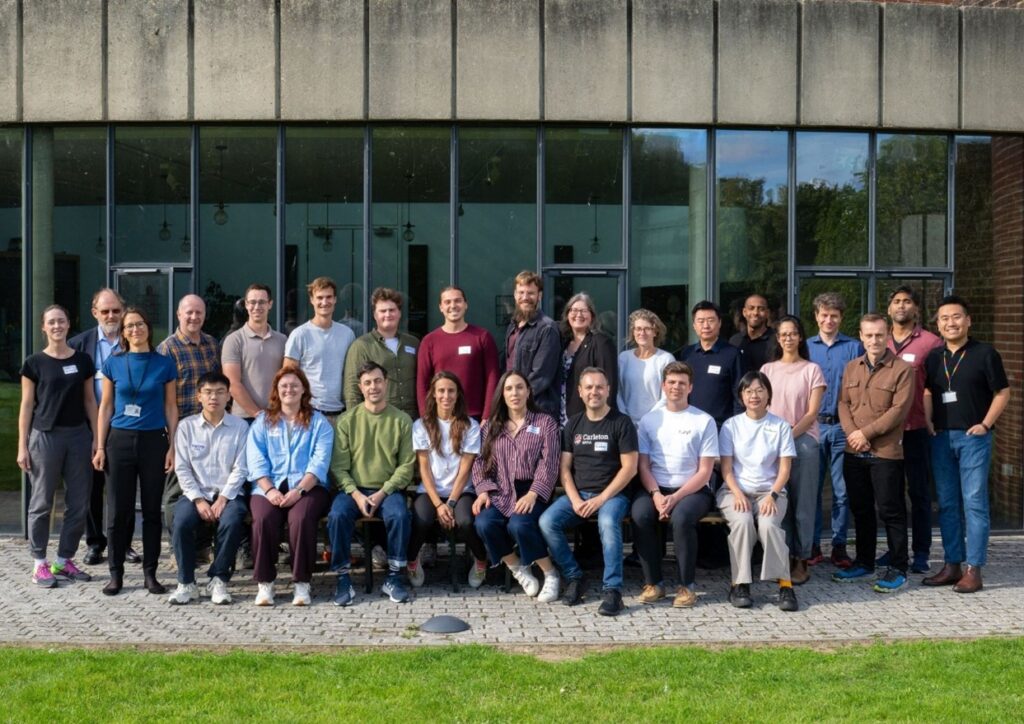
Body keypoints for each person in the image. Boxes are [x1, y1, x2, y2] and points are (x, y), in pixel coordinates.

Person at [922, 295, 1010, 594]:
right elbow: (929, 392)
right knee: (947, 504)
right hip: (942, 438)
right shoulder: (934, 357)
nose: (950, 322)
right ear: (938, 324)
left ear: (968, 321)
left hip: (974, 437)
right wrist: (930, 421)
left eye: (956, 316)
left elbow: (1002, 393)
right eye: (944, 318)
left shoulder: (985, 353)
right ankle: (952, 564)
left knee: (974, 503)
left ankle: (974, 569)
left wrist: (985, 424)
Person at [92, 307, 178, 596]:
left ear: (148, 328)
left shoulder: (164, 363)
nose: (134, 330)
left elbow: (170, 406)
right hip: (119, 441)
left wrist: (173, 446)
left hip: (154, 441)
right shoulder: (113, 364)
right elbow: (105, 407)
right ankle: (115, 574)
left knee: (153, 510)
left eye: (139, 324)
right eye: (129, 326)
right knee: (118, 511)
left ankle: (150, 573)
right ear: (123, 331)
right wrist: (101, 445)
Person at [539, 367, 637, 615]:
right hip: (579, 494)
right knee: (547, 522)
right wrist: (573, 498)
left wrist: (602, 498)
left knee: (606, 522)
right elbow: (564, 468)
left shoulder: (622, 423)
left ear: (608, 390)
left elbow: (630, 468)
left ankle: (613, 591)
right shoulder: (573, 424)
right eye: (589, 387)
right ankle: (574, 577)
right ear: (580, 392)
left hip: (613, 495)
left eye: (599, 387)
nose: (595, 392)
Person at [832, 314, 914, 593]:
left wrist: (865, 434)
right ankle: (864, 561)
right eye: (869, 335)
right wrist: (854, 433)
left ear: (887, 334)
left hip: (886, 452)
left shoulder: (902, 369)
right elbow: (843, 403)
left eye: (879, 335)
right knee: (861, 509)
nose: (874, 340)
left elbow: (898, 411)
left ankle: (899, 566)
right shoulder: (851, 367)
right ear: (861, 336)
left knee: (891, 510)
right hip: (853, 451)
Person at [18, 305, 98, 588]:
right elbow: (27, 406)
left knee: (78, 503)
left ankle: (64, 560)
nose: (57, 326)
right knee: (41, 502)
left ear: (68, 324)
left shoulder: (84, 360)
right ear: (43, 327)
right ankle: (39, 563)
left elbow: (91, 402)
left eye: (61, 321)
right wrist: (22, 446)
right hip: (45, 437)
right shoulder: (34, 363)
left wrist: (97, 439)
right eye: (51, 322)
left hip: (78, 436)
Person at [631, 362, 718, 608]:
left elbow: (705, 471)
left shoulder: (704, 420)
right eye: (671, 382)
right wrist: (657, 494)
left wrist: (676, 496)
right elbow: (643, 466)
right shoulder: (649, 420)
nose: (676, 387)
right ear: (663, 386)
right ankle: (654, 583)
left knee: (681, 519)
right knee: (640, 514)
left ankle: (686, 586)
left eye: (681, 383)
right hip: (656, 487)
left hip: (693, 490)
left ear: (690, 387)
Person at [328, 362, 415, 605]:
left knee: (399, 515)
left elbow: (407, 465)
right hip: (354, 490)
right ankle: (343, 578)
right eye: (367, 383)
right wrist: (355, 494)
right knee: (337, 515)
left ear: (386, 383)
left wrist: (382, 492)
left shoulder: (402, 420)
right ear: (360, 387)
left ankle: (395, 577)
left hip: (388, 490)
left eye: (377, 381)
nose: (373, 387)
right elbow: (339, 467)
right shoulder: (347, 420)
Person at [246, 367, 333, 606]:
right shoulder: (263, 421)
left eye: (295, 385)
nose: (289, 390)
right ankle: (265, 584)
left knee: (302, 518)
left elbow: (319, 461)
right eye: (284, 385)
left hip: (309, 487)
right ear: (276, 390)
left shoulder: (319, 422)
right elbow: (255, 460)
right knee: (263, 519)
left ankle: (302, 584)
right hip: (267, 487)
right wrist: (270, 490)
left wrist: (299, 490)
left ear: (303, 389)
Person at [471, 370, 560, 601]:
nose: (514, 393)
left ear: (528, 391)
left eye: (520, 387)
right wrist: (483, 490)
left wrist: (533, 494)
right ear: (502, 394)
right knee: (484, 522)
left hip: (532, 491)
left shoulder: (545, 423)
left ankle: (550, 573)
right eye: (509, 388)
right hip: (500, 491)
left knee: (519, 525)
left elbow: (549, 463)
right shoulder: (490, 426)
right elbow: (479, 463)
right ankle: (518, 569)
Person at [717, 371, 799, 611]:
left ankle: (785, 584)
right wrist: (738, 493)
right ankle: (739, 583)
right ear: (741, 396)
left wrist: (773, 495)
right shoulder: (731, 426)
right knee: (742, 522)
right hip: (734, 491)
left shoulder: (781, 426)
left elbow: (784, 469)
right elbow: (727, 469)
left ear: (768, 394)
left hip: (770, 492)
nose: (754, 395)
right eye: (749, 391)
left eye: (760, 390)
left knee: (768, 525)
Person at [168, 371, 249, 605]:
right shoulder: (186, 427)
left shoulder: (240, 427)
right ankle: (186, 583)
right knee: (181, 521)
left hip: (230, 494)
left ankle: (219, 579)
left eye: (220, 392)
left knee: (232, 520)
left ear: (228, 397)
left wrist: (223, 498)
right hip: (197, 494)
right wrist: (199, 500)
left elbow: (241, 468)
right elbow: (182, 469)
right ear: (199, 396)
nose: (214, 397)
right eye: (208, 392)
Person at [407, 371, 487, 589]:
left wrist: (450, 502)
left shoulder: (470, 425)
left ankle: (480, 560)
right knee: (422, 520)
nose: (446, 395)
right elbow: (424, 467)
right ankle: (412, 561)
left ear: (458, 394)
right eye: (441, 390)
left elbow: (465, 468)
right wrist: (438, 504)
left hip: (461, 492)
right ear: (433, 394)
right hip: (431, 491)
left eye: (451, 390)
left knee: (466, 521)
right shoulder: (421, 425)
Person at [761, 315, 826, 586]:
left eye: (793, 333)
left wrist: (789, 433)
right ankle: (783, 558)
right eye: (783, 334)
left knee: (804, 504)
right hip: (772, 444)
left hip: (803, 443)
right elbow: (760, 406)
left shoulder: (812, 370)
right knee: (780, 503)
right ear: (778, 339)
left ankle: (802, 558)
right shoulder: (767, 370)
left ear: (801, 337)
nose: (788, 338)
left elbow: (812, 413)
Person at [884, 286, 943, 573]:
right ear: (889, 309)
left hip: (915, 428)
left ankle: (921, 553)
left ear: (916, 309)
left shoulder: (931, 343)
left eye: (907, 302)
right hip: (885, 433)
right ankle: (895, 552)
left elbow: (936, 386)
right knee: (889, 496)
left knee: (919, 494)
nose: (901, 306)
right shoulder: (878, 340)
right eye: (896, 301)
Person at [806, 292, 862, 568]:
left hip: (842, 427)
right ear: (816, 316)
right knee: (812, 489)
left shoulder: (854, 348)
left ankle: (839, 545)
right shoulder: (805, 348)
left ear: (841, 318)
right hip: (813, 427)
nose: (829, 320)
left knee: (842, 491)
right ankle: (813, 544)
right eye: (824, 315)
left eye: (834, 316)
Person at [68, 288, 124, 565]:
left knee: (121, 488)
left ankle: (122, 544)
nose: (111, 315)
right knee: (92, 488)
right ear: (95, 313)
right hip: (90, 428)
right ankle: (95, 543)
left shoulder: (133, 340)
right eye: (105, 311)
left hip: (125, 427)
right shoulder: (79, 345)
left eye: (115, 310)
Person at [416, 285, 500, 420]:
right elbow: (422, 383)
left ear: (465, 304)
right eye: (447, 302)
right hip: (441, 418)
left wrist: (487, 416)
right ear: (440, 307)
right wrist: (426, 417)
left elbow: (492, 378)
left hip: (475, 417)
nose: (453, 305)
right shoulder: (429, 341)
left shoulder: (482, 337)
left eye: (458, 301)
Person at [283, 276, 356, 419]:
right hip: (309, 412)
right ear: (312, 300)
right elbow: (288, 375)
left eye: (329, 297)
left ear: (335, 299)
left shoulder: (347, 334)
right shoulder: (299, 335)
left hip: (341, 413)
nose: (324, 302)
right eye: (320, 297)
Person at [343, 287, 419, 419]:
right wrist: (357, 423)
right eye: (382, 311)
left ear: (399, 313)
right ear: (374, 315)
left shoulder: (413, 343)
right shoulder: (361, 346)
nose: (388, 315)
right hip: (378, 420)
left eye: (392, 310)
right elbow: (352, 390)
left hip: (412, 420)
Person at [221, 283, 287, 422]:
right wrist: (258, 414)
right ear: (246, 304)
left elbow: (287, 378)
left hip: (276, 416)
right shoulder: (234, 340)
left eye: (262, 302)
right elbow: (232, 383)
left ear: (270, 304)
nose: (257, 307)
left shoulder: (282, 340)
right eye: (252, 302)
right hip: (244, 419)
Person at [503, 271, 561, 417]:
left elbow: (541, 376)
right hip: (514, 407)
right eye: (521, 292)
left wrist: (517, 398)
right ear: (515, 295)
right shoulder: (512, 326)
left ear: (539, 296)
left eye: (531, 293)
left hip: (537, 409)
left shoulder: (547, 328)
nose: (525, 298)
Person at [678, 300, 744, 429]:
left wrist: (738, 426)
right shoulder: (687, 354)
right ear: (694, 325)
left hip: (721, 427)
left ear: (719, 323)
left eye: (711, 320)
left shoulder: (732, 354)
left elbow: (739, 394)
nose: (706, 326)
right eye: (701, 321)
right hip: (690, 426)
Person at [558, 292, 618, 426]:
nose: (578, 315)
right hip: (560, 414)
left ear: (592, 316)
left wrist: (603, 422)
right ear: (567, 314)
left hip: (589, 419)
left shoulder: (601, 343)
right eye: (574, 310)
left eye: (583, 311)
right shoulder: (562, 342)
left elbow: (609, 385)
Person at [157, 294, 221, 419]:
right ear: (179, 314)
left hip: (213, 422)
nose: (194, 317)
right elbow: (160, 395)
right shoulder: (167, 349)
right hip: (182, 425)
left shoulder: (212, 344)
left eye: (199, 312)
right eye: (189, 312)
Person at [616, 309, 675, 426]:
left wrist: (648, 419)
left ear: (655, 332)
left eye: (647, 328)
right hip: (627, 423)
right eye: (638, 328)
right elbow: (618, 392)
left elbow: (667, 394)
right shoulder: (623, 358)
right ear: (633, 332)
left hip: (657, 422)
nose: (642, 332)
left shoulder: (666, 359)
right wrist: (625, 416)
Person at [729, 294, 777, 372]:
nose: (755, 313)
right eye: (751, 308)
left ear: (767, 313)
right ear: (744, 312)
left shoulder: (776, 340)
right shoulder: (735, 341)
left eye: (760, 309)